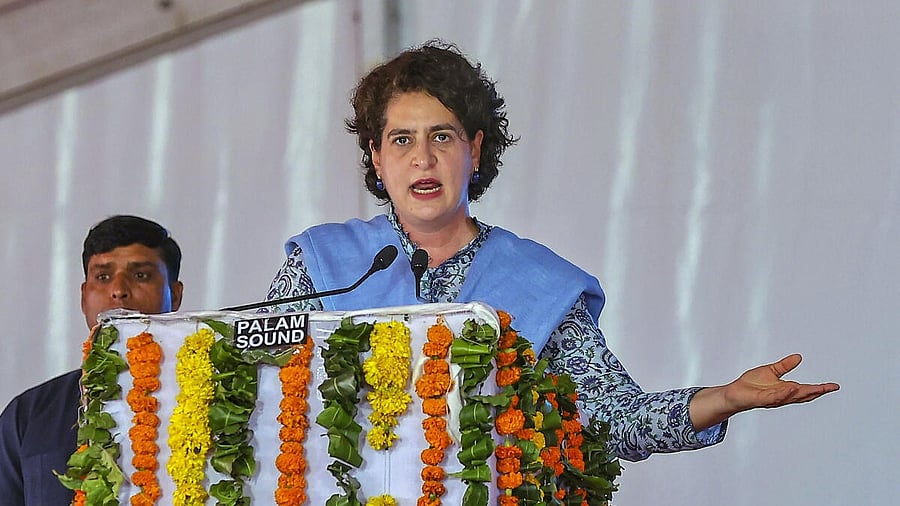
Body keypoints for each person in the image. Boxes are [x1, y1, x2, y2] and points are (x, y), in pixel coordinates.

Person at [263, 40, 839, 461]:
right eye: (401, 139)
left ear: (477, 149)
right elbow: (258, 392)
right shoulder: (322, 264)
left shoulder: (538, 282)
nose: (422, 158)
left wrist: (720, 399)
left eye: (443, 136)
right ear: (375, 157)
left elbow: (613, 420)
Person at [0, 215, 184, 505]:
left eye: (141, 275)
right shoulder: (29, 415)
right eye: (103, 277)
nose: (119, 290)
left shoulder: (219, 403)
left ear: (174, 296)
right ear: (84, 297)